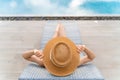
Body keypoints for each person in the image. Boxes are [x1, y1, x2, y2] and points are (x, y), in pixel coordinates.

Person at [22, 24, 95, 67]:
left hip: (54, 48)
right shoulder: (74, 64)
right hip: (63, 48)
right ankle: (59, 28)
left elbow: (25, 56)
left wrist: (34, 51)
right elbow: (91, 57)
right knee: (63, 37)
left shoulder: (44, 63)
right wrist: (84, 48)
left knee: (55, 39)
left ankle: (57, 31)